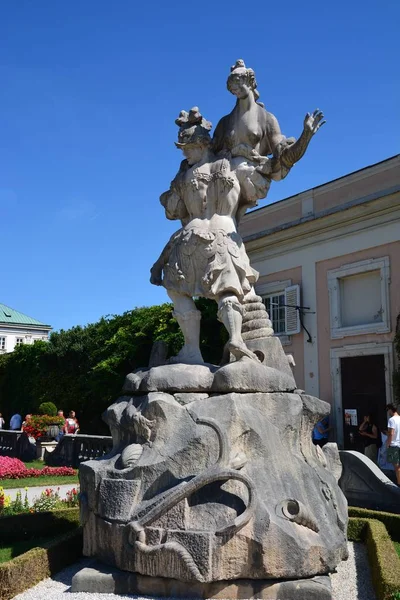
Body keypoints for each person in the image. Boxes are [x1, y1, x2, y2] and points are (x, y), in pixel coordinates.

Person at [150, 106, 271, 364]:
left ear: (202, 144)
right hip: (223, 237)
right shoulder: (230, 165)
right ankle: (235, 338)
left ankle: (192, 350)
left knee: (178, 292)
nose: (185, 153)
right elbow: (250, 193)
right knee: (227, 291)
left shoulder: (184, 176)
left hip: (189, 240)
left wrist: (172, 192)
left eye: (188, 148)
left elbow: (173, 211)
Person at [386, 404, 400, 485]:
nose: (388, 412)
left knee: (396, 467)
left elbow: (391, 433)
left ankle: (398, 484)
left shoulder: (391, 420)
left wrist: (388, 443)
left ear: (391, 410)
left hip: (394, 445)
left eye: (388, 410)